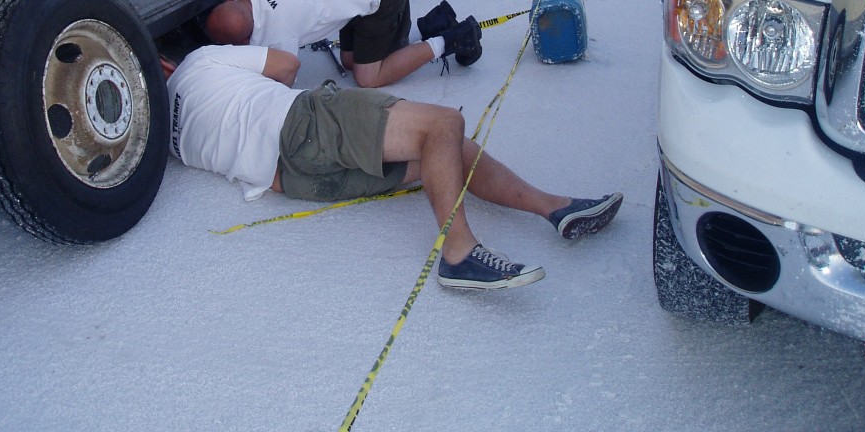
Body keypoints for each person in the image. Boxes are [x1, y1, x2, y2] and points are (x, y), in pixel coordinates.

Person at [163, 45, 624, 290]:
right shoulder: (199, 61)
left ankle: (554, 208)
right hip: (301, 123)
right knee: (444, 124)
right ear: (165, 61)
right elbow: (286, 66)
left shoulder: (171, 141)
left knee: (442, 153)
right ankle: (459, 254)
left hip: (291, 181)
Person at [204, 0, 482, 88]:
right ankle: (432, 24)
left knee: (368, 77)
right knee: (350, 61)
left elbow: (284, 75)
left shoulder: (278, 27)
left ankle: (453, 39)